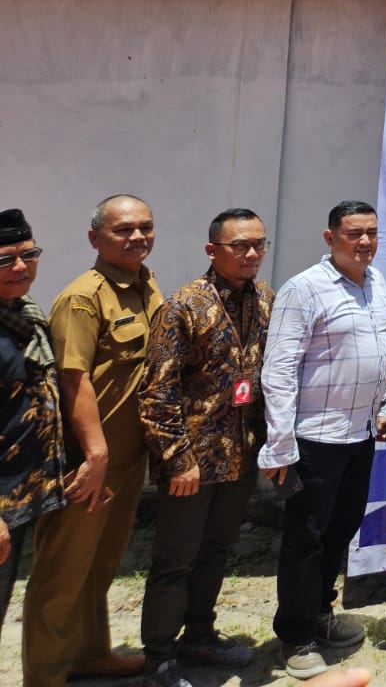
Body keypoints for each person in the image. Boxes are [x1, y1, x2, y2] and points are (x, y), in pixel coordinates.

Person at [22, 194, 162, 687]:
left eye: (145, 227)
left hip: (127, 458)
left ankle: (88, 653)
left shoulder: (145, 285)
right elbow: (72, 378)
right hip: (86, 460)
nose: (137, 236)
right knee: (62, 574)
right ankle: (44, 676)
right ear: (95, 238)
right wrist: (96, 455)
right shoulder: (84, 298)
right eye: (123, 229)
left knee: (100, 564)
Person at [137, 209, 276, 687]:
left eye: (258, 244)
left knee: (216, 550)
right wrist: (177, 460)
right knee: (175, 561)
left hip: (240, 455)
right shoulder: (183, 306)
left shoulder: (265, 300)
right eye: (240, 245)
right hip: (192, 464)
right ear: (212, 250)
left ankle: (199, 635)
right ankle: (158, 659)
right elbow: (157, 392)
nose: (251, 253)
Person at [259, 202, 386, 681]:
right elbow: (278, 370)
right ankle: (296, 636)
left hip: (360, 435)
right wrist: (279, 445)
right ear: (330, 237)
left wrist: (384, 406)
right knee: (307, 540)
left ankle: (319, 612)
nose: (364, 242)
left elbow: (381, 353)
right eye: (354, 233)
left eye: (371, 232)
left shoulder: (377, 283)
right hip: (315, 439)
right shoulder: (304, 289)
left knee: (339, 532)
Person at [0, 209, 69, 637]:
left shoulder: (24, 315)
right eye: (5, 259)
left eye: (29, 254)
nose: (21, 267)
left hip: (19, 494)